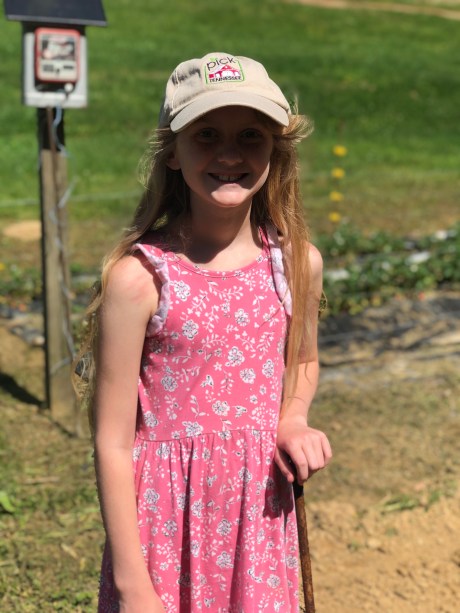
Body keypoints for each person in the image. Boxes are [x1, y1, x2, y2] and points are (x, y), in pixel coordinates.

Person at [81, 51, 332, 613]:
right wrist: (133, 585)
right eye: (206, 135)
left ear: (276, 151)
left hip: (257, 523)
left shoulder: (296, 265)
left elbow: (302, 360)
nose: (230, 154)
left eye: (250, 135)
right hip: (163, 533)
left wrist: (292, 417)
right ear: (172, 152)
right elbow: (112, 441)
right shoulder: (140, 279)